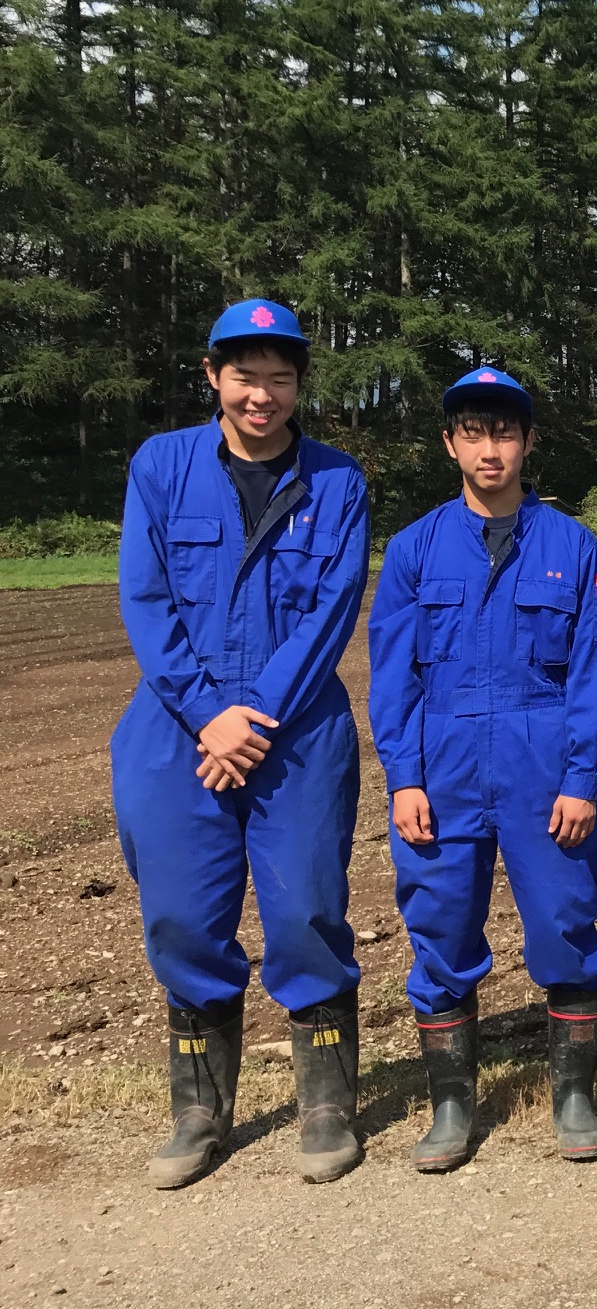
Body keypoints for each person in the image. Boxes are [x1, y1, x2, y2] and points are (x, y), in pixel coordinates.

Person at [112, 298, 370, 1188]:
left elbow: (331, 611)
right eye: (245, 375)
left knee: (305, 910)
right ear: (214, 376)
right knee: (180, 912)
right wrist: (207, 712)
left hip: (293, 725)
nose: (262, 395)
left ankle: (329, 1105)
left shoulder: (337, 480)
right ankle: (199, 1113)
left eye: (280, 377)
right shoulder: (162, 464)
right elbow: (146, 600)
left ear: (299, 384)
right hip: (175, 723)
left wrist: (251, 716)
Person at [368, 368, 597, 1169]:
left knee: (565, 927)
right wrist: (403, 777)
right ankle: (451, 1107)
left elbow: (593, 671)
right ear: (449, 443)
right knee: (439, 930)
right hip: (440, 772)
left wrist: (582, 778)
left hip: (545, 769)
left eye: (504, 432)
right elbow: (392, 675)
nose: (490, 449)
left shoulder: (573, 546)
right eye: (472, 432)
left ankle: (574, 1098)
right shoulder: (412, 550)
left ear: (528, 442)